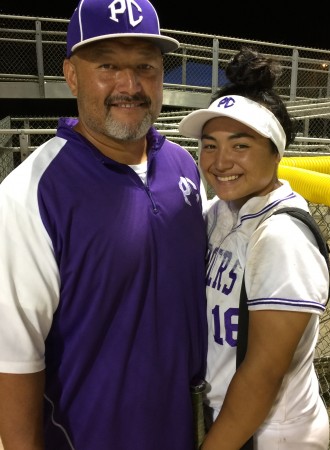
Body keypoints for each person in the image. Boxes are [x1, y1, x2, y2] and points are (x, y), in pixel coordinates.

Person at [0, 0, 208, 449]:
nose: (130, 85)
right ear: (71, 74)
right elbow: (13, 360)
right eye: (108, 65)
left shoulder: (184, 166)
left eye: (145, 67)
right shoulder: (30, 193)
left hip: (187, 431)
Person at [179, 47, 330, 449]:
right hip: (233, 422)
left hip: (273, 434)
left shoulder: (281, 236)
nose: (220, 161)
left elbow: (262, 373)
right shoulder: (220, 213)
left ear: (275, 152)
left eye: (240, 146)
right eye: (209, 145)